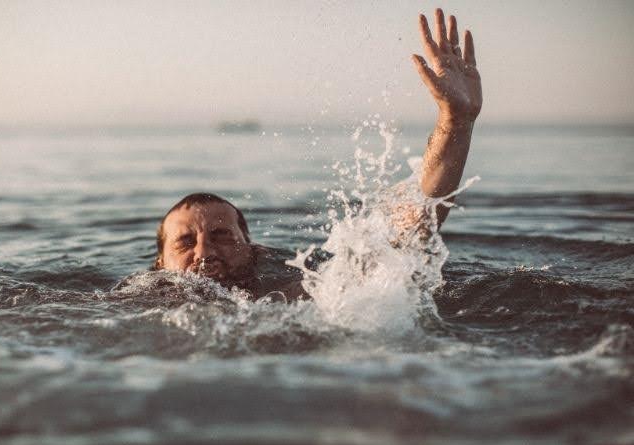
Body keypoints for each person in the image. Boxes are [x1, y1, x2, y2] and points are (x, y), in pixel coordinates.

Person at [152, 9, 481, 298]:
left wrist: (454, 122)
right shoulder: (131, 303)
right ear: (160, 264)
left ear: (254, 250)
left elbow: (407, 232)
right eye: (184, 242)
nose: (204, 251)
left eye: (221, 235)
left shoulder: (299, 291)